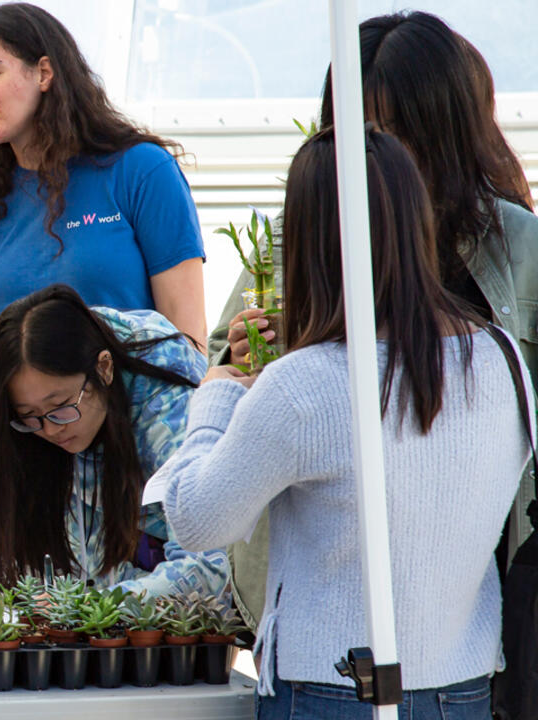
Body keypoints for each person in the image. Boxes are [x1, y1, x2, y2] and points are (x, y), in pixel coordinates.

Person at [159, 127, 530, 716]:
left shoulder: (305, 383)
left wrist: (217, 395)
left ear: (308, 239)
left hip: (330, 686)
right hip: (464, 687)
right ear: (417, 222)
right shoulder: (504, 358)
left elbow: (197, 519)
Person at [209, 9, 538, 628]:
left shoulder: (520, 246)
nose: (374, 153)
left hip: (475, 592)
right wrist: (241, 363)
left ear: (446, 128)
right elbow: (221, 365)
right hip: (332, 581)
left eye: (394, 130)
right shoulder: (296, 239)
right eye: (355, 130)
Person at [0, 2, 206, 400]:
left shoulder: (141, 170)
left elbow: (188, 346)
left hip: (134, 439)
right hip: (26, 447)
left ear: (44, 73)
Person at [0, 284, 226, 598]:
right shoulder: (49, 427)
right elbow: (83, 561)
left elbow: (208, 568)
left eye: (60, 406)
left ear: (104, 368)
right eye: (29, 414)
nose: (51, 430)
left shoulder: (171, 413)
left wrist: (93, 607)